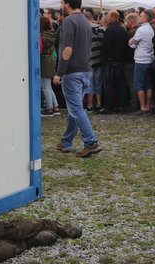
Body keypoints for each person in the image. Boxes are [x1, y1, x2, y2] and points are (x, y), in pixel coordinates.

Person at [54, 0, 102, 157]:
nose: (61, 5)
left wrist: (59, 72)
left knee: (75, 109)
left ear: (67, 4)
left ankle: (90, 142)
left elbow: (66, 48)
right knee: (74, 109)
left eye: (62, 2)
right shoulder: (85, 21)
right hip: (85, 70)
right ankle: (66, 141)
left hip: (72, 72)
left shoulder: (69, 21)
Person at [100, 10, 127, 114]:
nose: (106, 18)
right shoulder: (122, 29)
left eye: (107, 16)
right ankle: (120, 105)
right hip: (119, 60)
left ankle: (108, 106)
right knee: (119, 84)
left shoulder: (110, 29)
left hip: (110, 61)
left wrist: (104, 57)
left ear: (112, 17)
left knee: (109, 84)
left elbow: (107, 46)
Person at [129, 9, 155, 115]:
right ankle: (148, 106)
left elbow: (133, 43)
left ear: (145, 18)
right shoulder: (151, 29)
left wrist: (131, 41)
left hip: (141, 60)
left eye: (141, 16)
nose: (139, 17)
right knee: (148, 84)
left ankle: (143, 107)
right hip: (149, 58)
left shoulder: (141, 30)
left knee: (139, 85)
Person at [83, 10, 104, 113]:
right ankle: (99, 103)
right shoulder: (101, 29)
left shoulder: (85, 29)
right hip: (100, 59)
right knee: (98, 83)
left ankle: (90, 105)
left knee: (89, 83)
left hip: (89, 60)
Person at [41, 17, 61, 118]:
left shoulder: (43, 37)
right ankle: (55, 107)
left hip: (45, 62)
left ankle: (49, 109)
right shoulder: (50, 34)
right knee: (48, 87)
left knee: (45, 87)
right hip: (50, 61)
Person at [123, 13, 140, 112]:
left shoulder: (130, 33)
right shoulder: (138, 31)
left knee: (131, 83)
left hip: (129, 61)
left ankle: (134, 103)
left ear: (130, 21)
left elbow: (127, 49)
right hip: (135, 60)